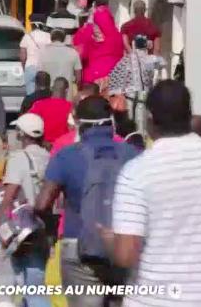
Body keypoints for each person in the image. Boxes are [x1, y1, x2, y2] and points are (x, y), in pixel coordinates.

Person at [104, 81, 201, 306]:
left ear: (150, 119)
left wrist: (108, 239)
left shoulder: (136, 172)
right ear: (189, 114)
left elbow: (126, 255)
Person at [35, 96, 139, 307]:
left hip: (78, 245)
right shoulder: (131, 154)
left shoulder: (66, 155)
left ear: (78, 123)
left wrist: (51, 230)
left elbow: (42, 204)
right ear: (111, 121)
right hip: (122, 243)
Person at [0, 113, 51, 307]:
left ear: (22, 134)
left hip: (23, 229)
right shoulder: (49, 156)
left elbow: (9, 196)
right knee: (36, 281)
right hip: (45, 227)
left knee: (13, 284)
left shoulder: (18, 158)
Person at [107, 34, 165, 129]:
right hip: (144, 93)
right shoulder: (150, 59)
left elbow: (114, 74)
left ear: (134, 44)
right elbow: (163, 63)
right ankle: (140, 138)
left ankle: (129, 137)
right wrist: (153, 49)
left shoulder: (126, 59)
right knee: (141, 121)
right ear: (146, 45)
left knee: (129, 119)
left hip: (129, 93)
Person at [73, 5, 125, 94]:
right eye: (95, 24)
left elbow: (78, 51)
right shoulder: (117, 36)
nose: (96, 28)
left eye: (98, 24)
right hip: (111, 82)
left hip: (96, 83)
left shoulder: (114, 37)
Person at [28, 77, 73, 145]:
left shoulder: (39, 104)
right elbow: (74, 130)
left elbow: (27, 123)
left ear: (52, 88)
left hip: (43, 146)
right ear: (66, 90)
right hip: (63, 147)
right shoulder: (71, 107)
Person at [38, 30, 82, 98]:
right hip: (67, 94)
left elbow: (39, 74)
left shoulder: (42, 52)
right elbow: (78, 77)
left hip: (48, 94)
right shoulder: (73, 52)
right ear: (64, 39)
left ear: (51, 38)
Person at [20, 19, 51, 95]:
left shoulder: (27, 36)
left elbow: (23, 56)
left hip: (30, 66)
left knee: (30, 95)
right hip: (44, 68)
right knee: (44, 94)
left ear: (32, 25)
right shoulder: (48, 36)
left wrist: (24, 67)